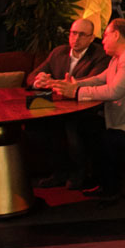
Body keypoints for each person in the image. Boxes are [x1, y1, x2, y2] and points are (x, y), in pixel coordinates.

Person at [50, 18, 125, 204]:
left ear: (116, 35)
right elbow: (99, 79)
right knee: (84, 126)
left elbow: (115, 91)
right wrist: (73, 84)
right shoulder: (119, 58)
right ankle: (96, 179)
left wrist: (76, 92)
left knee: (106, 139)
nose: (103, 41)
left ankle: (111, 189)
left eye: (105, 36)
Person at [27, 18, 111, 189]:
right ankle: (59, 173)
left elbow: (93, 81)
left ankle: (79, 174)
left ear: (91, 38)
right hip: (56, 107)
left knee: (72, 127)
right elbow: (32, 76)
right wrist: (39, 80)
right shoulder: (59, 52)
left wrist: (55, 83)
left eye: (82, 35)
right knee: (36, 125)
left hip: (84, 108)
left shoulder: (100, 55)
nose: (76, 38)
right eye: (73, 33)